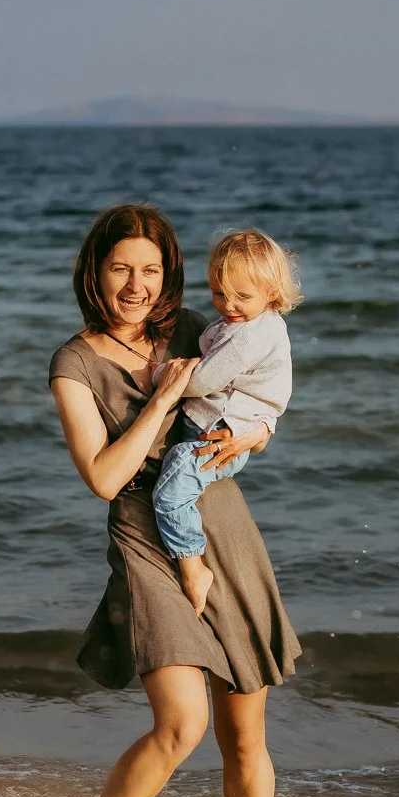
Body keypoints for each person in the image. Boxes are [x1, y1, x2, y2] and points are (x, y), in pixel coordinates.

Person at [48, 204, 303, 797]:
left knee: (245, 732)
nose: (136, 285)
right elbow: (102, 474)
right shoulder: (76, 363)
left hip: (221, 522)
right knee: (182, 722)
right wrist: (162, 399)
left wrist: (256, 430)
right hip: (140, 531)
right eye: (122, 268)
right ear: (95, 272)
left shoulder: (201, 325)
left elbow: (263, 390)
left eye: (151, 270)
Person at [153, 229, 301, 617]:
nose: (229, 305)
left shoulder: (254, 334)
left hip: (220, 436)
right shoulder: (239, 325)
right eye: (219, 293)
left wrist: (162, 375)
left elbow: (204, 380)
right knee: (177, 476)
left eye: (242, 296)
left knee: (171, 489)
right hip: (216, 425)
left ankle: (191, 564)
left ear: (271, 291)